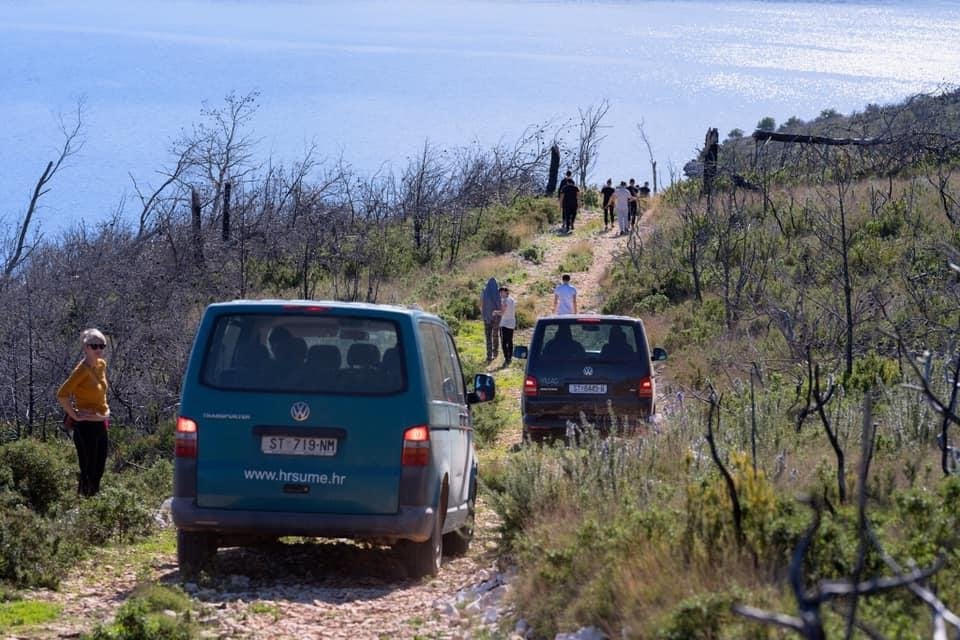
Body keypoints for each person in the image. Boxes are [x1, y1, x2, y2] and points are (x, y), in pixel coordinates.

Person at [57, 328, 110, 497]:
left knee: (99, 468)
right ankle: (85, 506)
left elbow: (101, 394)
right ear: (86, 347)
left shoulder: (101, 365)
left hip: (101, 423)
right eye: (94, 346)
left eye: (102, 345)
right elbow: (62, 394)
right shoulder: (81, 371)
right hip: (85, 427)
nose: (99, 350)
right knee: (88, 468)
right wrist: (74, 415)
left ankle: (92, 504)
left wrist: (103, 412)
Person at [480, 277, 501, 362]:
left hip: (487, 317)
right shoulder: (498, 292)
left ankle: (489, 355)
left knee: (488, 336)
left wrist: (483, 313)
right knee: (495, 335)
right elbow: (501, 304)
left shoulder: (484, 292)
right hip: (496, 317)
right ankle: (495, 353)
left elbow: (481, 304)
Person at [498, 286, 517, 366]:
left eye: (502, 292)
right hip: (512, 322)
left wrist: (495, 312)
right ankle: (510, 357)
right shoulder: (512, 299)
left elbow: (502, 312)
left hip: (505, 323)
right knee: (510, 340)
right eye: (500, 293)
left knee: (503, 342)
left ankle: (507, 357)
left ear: (506, 292)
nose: (501, 294)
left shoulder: (505, 301)